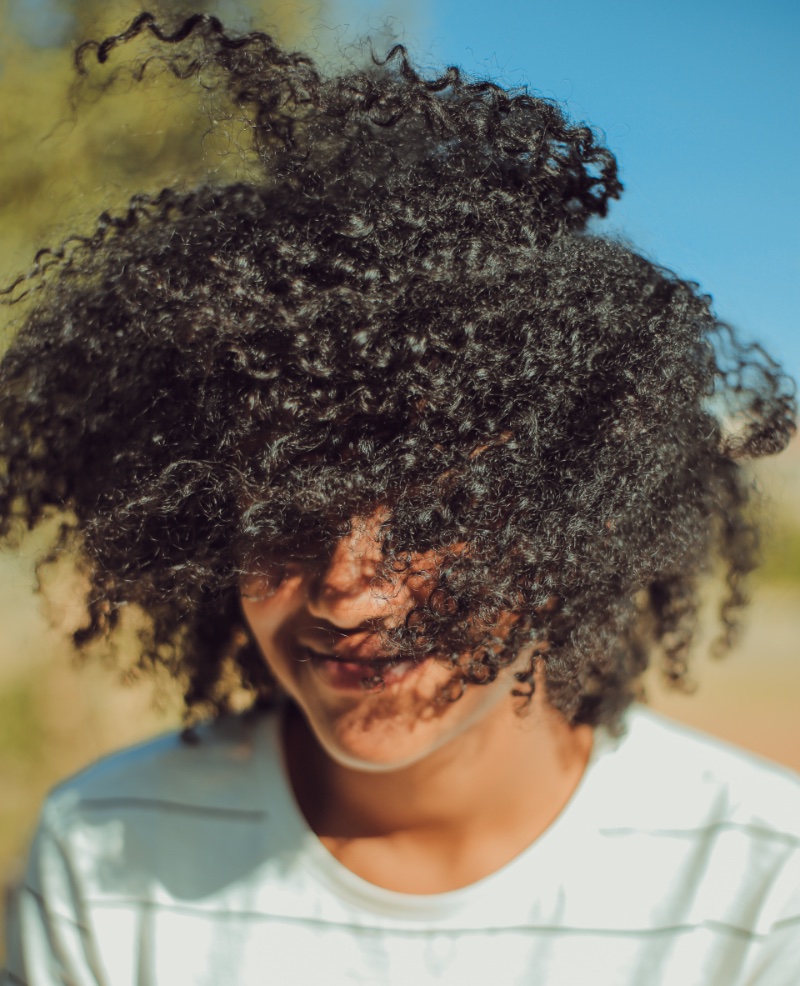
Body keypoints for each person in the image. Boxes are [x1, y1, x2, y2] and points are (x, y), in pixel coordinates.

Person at [2, 12, 799, 985]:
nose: (348, 589)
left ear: (567, 511)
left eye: (432, 516)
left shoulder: (760, 884)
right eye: (286, 511)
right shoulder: (105, 855)